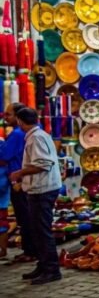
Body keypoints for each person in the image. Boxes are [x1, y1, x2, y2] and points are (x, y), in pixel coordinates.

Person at [9, 107, 62, 285]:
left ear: (20, 121)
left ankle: (51, 269)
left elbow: (43, 164)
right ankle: (44, 264)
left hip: (42, 189)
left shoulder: (36, 137)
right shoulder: (38, 135)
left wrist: (20, 173)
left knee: (42, 230)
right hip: (40, 189)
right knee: (38, 229)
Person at [0, 103, 33, 263]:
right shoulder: (22, 133)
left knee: (24, 216)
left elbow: (5, 155)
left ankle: (29, 251)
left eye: (8, 115)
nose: (5, 117)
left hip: (18, 181)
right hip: (20, 179)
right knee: (25, 216)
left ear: (18, 117)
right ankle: (30, 250)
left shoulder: (17, 135)